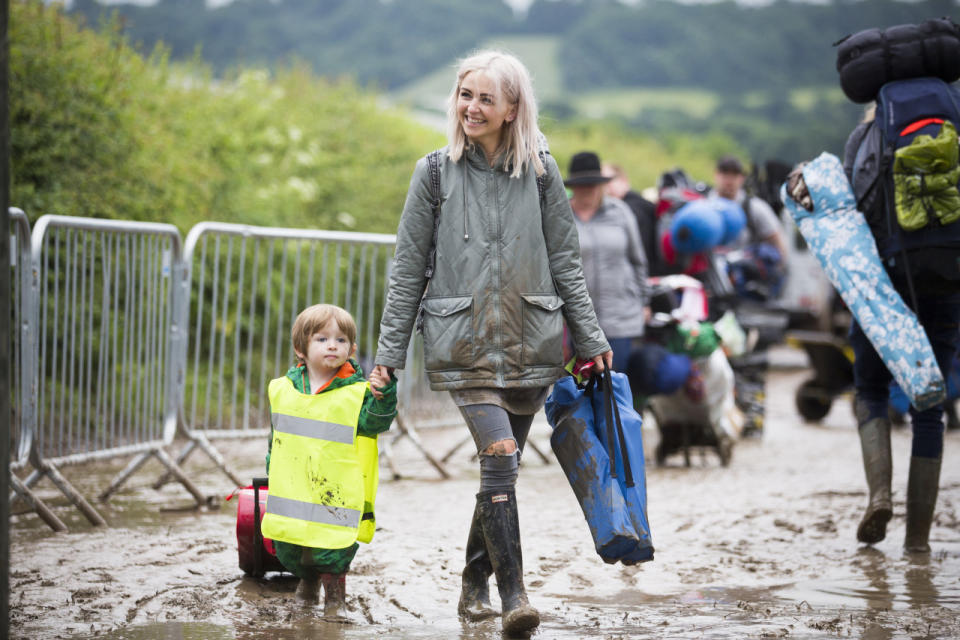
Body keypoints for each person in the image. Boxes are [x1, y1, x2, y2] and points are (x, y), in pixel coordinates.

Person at [369, 50, 611, 637]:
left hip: (532, 341)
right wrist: (387, 358)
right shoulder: (433, 173)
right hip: (464, 341)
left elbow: (565, 263)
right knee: (499, 456)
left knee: (499, 474)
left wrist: (590, 335)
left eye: (485, 98)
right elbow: (408, 271)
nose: (471, 107)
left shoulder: (544, 174)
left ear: (512, 108)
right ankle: (514, 598)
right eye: (464, 95)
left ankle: (472, 586)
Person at [842, 106, 960, 553]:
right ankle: (918, 542)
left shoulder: (868, 134)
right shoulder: (953, 126)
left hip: (883, 285)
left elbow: (848, 215)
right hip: (946, 282)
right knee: (930, 403)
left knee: (870, 388)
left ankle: (879, 498)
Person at [260, 303, 397, 617]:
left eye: (341, 339)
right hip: (295, 493)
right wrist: (272, 470)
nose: (333, 344)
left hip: (336, 496)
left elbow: (377, 421)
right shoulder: (283, 390)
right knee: (293, 549)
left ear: (351, 349)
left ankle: (335, 603)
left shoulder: (358, 393)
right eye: (322, 339)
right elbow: (276, 439)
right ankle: (306, 586)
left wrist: (385, 395)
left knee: (332, 552)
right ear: (301, 348)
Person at [568, 151, 650, 373]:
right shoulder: (561, 216)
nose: (587, 190)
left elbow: (638, 261)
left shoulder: (620, 212)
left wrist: (644, 301)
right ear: (572, 187)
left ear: (601, 185)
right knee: (579, 387)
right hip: (577, 323)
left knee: (613, 387)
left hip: (620, 318)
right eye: (581, 185)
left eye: (592, 184)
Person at [710, 155, 789, 299]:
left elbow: (776, 242)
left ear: (741, 178)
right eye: (725, 174)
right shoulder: (704, 205)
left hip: (745, 281)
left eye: (734, 175)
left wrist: (778, 273)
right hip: (711, 277)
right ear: (716, 175)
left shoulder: (754, 208)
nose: (729, 180)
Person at [602, 162, 665, 276]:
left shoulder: (629, 210)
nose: (605, 188)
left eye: (608, 181)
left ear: (624, 180)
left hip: (647, 276)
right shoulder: (642, 204)